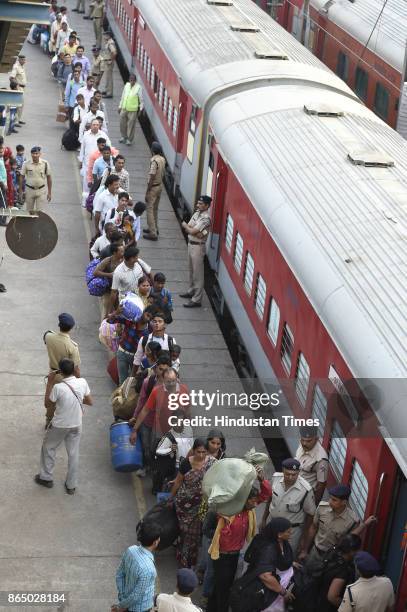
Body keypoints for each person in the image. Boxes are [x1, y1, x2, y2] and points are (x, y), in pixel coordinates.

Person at [206, 468, 273, 612]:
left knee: (221, 586)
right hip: (222, 556)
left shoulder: (247, 509)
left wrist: (262, 480)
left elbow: (266, 495)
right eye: (253, 501)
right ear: (244, 500)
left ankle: (210, 608)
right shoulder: (227, 513)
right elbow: (223, 537)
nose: (256, 505)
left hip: (235, 554)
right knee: (224, 589)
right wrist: (225, 524)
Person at [35, 358, 92, 494]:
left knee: (48, 447)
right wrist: (76, 390)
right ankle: (71, 485)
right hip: (77, 424)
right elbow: (89, 401)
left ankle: (46, 477)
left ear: (60, 372)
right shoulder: (82, 382)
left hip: (60, 425)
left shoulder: (58, 387)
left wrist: (49, 382)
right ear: (74, 370)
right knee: (73, 454)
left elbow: (47, 404)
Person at [169, 439, 216, 568]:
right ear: (193, 450)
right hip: (184, 504)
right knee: (184, 532)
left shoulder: (212, 463)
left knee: (193, 536)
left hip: (200, 506)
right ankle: (182, 555)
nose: (201, 455)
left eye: (203, 452)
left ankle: (188, 561)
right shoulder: (186, 464)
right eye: (198, 452)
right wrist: (170, 498)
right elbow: (178, 482)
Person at [299, 484, 377, 562]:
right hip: (315, 551)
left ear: (344, 502)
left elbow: (350, 537)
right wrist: (305, 550)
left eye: (334, 500)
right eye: (330, 498)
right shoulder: (322, 508)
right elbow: (313, 527)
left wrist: (364, 525)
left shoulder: (352, 520)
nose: (330, 502)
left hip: (333, 557)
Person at [261, 458, 316, 555]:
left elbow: (310, 514)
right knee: (268, 551)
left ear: (299, 472)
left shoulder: (306, 490)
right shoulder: (276, 478)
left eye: (294, 474)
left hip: (291, 532)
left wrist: (303, 537)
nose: (290, 477)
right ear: (283, 471)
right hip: (273, 525)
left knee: (286, 555)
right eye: (287, 474)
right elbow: (270, 499)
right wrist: (264, 519)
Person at [244, 517, 295, 612]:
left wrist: (291, 563)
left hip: (277, 582)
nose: (290, 534)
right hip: (266, 589)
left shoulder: (281, 541)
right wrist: (283, 592)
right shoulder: (268, 549)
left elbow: (280, 558)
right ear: (279, 534)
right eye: (288, 532)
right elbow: (265, 576)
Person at [113, 521, 161, 612]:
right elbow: (135, 596)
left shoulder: (130, 550)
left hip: (125, 600)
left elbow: (119, 574)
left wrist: (122, 597)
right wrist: (121, 607)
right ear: (155, 542)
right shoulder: (148, 569)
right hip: (141, 608)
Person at [316, 534, 362, 612]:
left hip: (318, 598)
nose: (359, 552)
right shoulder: (343, 570)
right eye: (357, 549)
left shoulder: (333, 552)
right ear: (351, 551)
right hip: (327, 607)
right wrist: (349, 608)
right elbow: (332, 597)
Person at [107, 307, 153, 385]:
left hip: (136, 358)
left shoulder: (149, 330)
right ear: (143, 312)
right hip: (122, 353)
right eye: (147, 315)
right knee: (122, 381)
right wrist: (116, 312)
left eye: (150, 318)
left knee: (133, 382)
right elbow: (110, 320)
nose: (148, 319)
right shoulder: (131, 320)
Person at [180, 196, 212, 307]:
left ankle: (197, 299)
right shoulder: (197, 213)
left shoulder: (205, 218)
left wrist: (189, 228)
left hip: (198, 247)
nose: (198, 205)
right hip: (191, 244)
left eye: (201, 204)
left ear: (207, 206)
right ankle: (191, 291)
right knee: (191, 271)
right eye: (198, 203)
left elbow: (190, 228)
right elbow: (191, 228)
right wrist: (191, 230)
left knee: (198, 274)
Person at [110, 245, 152, 309]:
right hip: (127, 301)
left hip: (141, 297)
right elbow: (114, 292)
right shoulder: (118, 272)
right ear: (132, 259)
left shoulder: (139, 262)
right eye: (137, 256)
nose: (138, 257)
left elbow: (149, 272)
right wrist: (112, 309)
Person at [295, 425, 328, 505]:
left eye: (309, 441)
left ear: (316, 439)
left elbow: (321, 485)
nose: (304, 443)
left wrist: (314, 506)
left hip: (305, 495)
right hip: (294, 486)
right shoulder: (303, 444)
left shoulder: (321, 459)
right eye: (302, 440)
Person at [94, 243, 125, 317]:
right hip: (108, 291)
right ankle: (104, 327)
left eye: (123, 251)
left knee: (120, 313)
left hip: (120, 291)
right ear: (114, 252)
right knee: (107, 313)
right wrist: (109, 275)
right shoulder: (108, 260)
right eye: (121, 252)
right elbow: (95, 272)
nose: (123, 253)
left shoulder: (124, 261)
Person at [143, 142, 166, 241]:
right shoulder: (162, 159)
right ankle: (155, 228)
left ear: (152, 150)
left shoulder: (154, 161)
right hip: (160, 186)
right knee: (155, 209)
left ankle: (153, 233)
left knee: (149, 209)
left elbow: (152, 176)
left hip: (153, 187)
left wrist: (147, 191)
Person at [19, 146, 52, 212]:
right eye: (33, 153)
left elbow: (49, 178)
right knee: (29, 212)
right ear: (31, 154)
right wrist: (20, 191)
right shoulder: (26, 164)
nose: (34, 155)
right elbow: (21, 177)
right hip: (29, 191)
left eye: (36, 153)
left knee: (40, 213)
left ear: (40, 154)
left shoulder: (45, 163)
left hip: (41, 191)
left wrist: (49, 193)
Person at [118, 74, 143, 146]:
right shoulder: (126, 86)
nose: (132, 81)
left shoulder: (138, 88)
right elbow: (123, 96)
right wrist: (120, 106)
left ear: (135, 81)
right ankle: (123, 136)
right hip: (124, 107)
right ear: (129, 80)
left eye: (133, 80)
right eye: (130, 80)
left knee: (131, 125)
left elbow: (141, 99)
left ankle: (129, 139)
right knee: (122, 123)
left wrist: (140, 109)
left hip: (133, 109)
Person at [9, 54, 27, 127]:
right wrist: (16, 85)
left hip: (22, 88)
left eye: (25, 60)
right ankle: (15, 121)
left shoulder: (22, 67)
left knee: (21, 105)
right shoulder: (16, 67)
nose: (24, 61)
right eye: (23, 60)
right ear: (19, 60)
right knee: (18, 105)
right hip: (18, 88)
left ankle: (18, 119)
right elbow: (11, 78)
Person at [101, 31, 117, 98]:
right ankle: (107, 90)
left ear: (108, 36)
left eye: (105, 35)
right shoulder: (109, 42)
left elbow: (114, 52)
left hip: (108, 62)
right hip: (107, 61)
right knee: (107, 77)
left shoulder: (110, 43)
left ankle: (109, 93)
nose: (104, 37)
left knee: (109, 78)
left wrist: (111, 60)